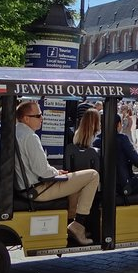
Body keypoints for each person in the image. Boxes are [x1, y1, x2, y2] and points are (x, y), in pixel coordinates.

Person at [14, 100, 99, 246]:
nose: (42, 118)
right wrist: (56, 172)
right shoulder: (30, 137)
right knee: (92, 175)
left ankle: (71, 219)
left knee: (75, 179)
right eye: (38, 115)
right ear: (26, 118)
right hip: (38, 189)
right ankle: (78, 224)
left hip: (26, 186)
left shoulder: (17, 131)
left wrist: (57, 172)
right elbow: (43, 171)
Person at [94, 114, 138, 218]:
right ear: (118, 124)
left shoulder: (96, 141)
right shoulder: (122, 139)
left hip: (105, 186)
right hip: (123, 186)